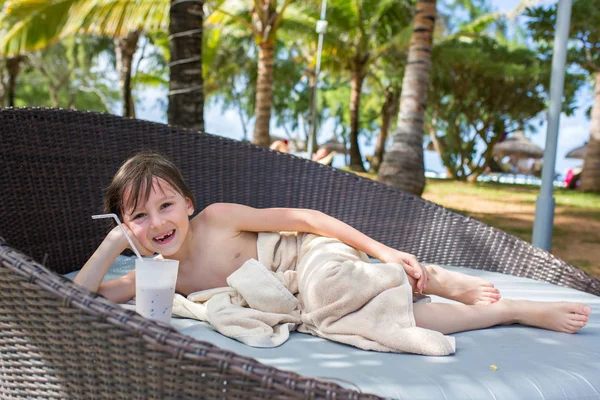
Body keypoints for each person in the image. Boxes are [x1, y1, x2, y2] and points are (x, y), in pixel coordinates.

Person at [74, 152, 591, 344]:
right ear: (125, 225)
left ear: (188, 204)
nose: (157, 223)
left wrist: (385, 249)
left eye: (165, 206)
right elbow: (78, 298)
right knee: (370, 318)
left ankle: (430, 277)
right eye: (139, 216)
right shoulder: (152, 275)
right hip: (300, 295)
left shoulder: (217, 220)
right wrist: (114, 241)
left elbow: (306, 219)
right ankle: (507, 309)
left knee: (346, 288)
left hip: (305, 257)